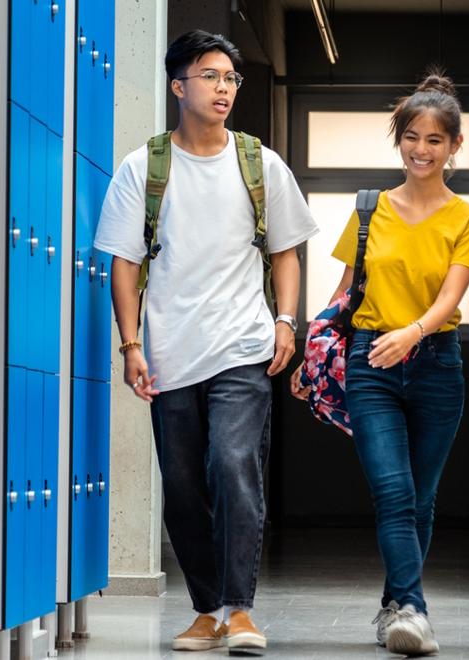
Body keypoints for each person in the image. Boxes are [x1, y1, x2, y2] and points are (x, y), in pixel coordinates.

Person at [94, 29, 318, 653]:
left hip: (241, 347)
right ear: (177, 86)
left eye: (230, 79)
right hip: (168, 353)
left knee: (233, 466)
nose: (224, 89)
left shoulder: (259, 162)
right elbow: (124, 263)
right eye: (211, 77)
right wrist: (131, 345)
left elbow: (286, 251)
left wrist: (286, 322)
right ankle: (205, 609)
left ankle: (240, 610)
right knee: (185, 484)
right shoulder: (144, 168)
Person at [293, 71, 469, 656]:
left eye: (434, 139)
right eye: (411, 136)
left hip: (436, 364)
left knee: (420, 499)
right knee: (392, 492)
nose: (420, 149)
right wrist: (315, 355)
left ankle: (392, 605)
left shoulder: (468, 219)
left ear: (455, 146)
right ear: (398, 139)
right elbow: (343, 292)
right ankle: (413, 610)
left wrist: (411, 334)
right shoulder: (367, 209)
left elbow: (451, 300)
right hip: (368, 362)